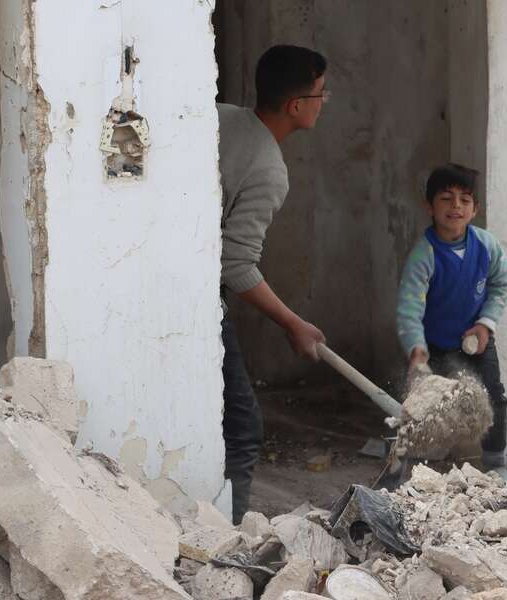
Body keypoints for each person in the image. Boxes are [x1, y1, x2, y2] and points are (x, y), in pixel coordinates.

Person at [217, 45, 330, 523]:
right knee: (243, 428)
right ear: (296, 105)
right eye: (322, 93)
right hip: (194, 303)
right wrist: (292, 322)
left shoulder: (218, 117)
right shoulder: (268, 168)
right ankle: (231, 537)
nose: (324, 102)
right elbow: (234, 262)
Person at [395, 163, 507, 473]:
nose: (456, 206)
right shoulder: (424, 255)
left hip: (477, 340)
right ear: (430, 206)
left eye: (465, 199)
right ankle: (415, 465)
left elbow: (503, 284)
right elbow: (409, 307)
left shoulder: (487, 246)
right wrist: (416, 347)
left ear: (475, 209)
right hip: (437, 345)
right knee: (431, 406)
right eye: (446, 198)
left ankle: (495, 463)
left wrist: (486, 323)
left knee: (493, 397)